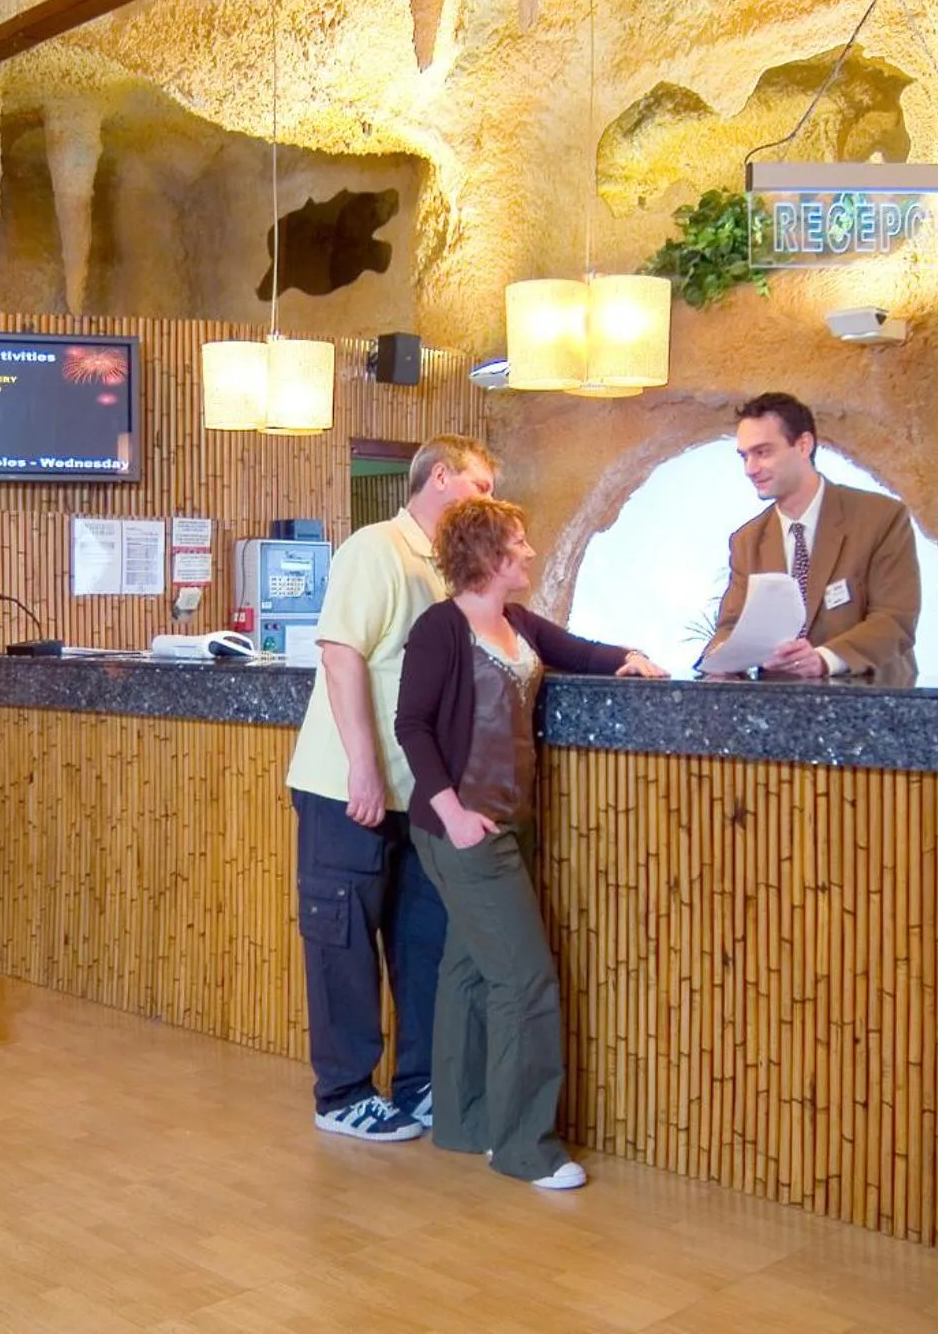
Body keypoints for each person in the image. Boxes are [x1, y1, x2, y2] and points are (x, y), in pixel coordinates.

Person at [395, 497, 665, 1189]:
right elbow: (413, 726)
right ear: (488, 557)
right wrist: (451, 812)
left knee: (469, 968)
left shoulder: (516, 622)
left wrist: (630, 659)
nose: (531, 553)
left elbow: (580, 652)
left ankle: (464, 1121)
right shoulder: (441, 628)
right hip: (460, 828)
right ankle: (524, 1147)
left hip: (508, 821)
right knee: (524, 979)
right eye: (519, 543)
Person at [285, 433, 499, 1142]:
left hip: (421, 797)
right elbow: (340, 654)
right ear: (441, 478)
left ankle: (419, 1083)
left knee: (422, 943)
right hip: (347, 786)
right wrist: (364, 765)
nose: (490, 503)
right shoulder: (376, 548)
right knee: (342, 942)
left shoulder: (450, 566)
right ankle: (342, 1094)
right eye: (482, 486)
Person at [703, 391, 920, 683]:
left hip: (871, 708)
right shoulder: (747, 540)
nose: (750, 469)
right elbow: (730, 627)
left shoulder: (881, 518)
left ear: (803, 445)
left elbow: (895, 621)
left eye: (763, 452)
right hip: (778, 712)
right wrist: (719, 660)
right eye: (745, 456)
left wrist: (823, 659)